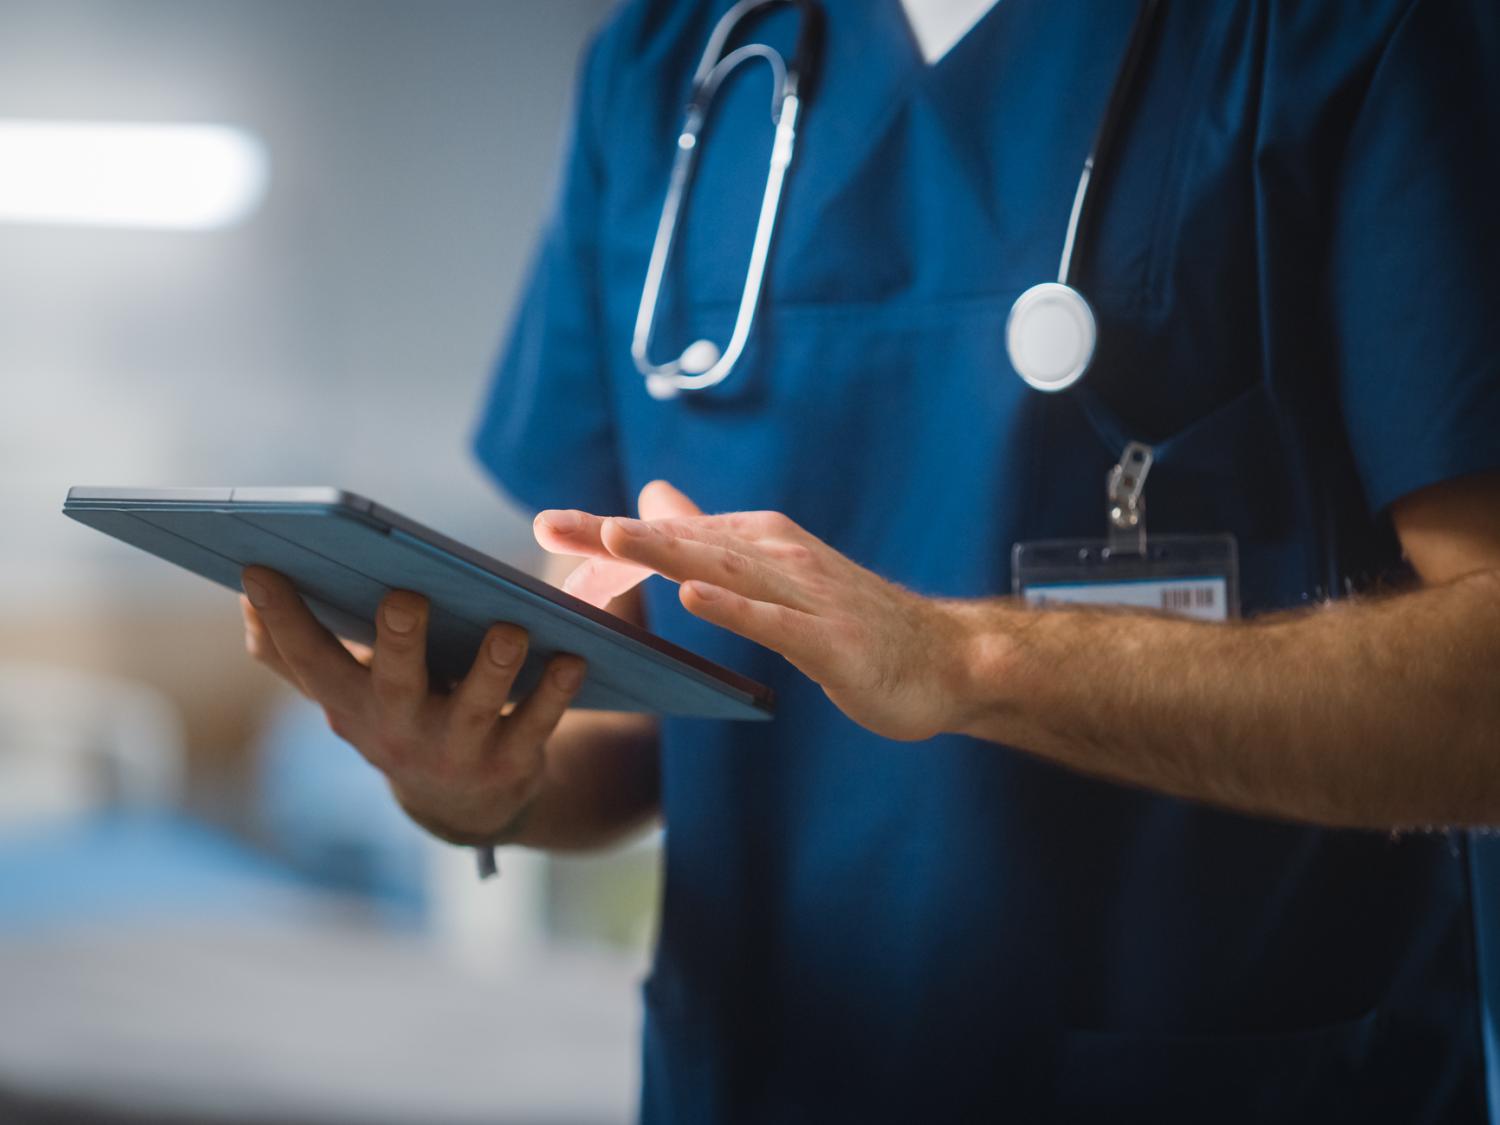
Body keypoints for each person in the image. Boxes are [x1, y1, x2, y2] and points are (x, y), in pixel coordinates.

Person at [239, 0, 1500, 1119]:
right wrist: (473, 779)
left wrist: (965, 659)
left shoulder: (1352, 33)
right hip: (753, 1074)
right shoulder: (670, 65)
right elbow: (621, 717)